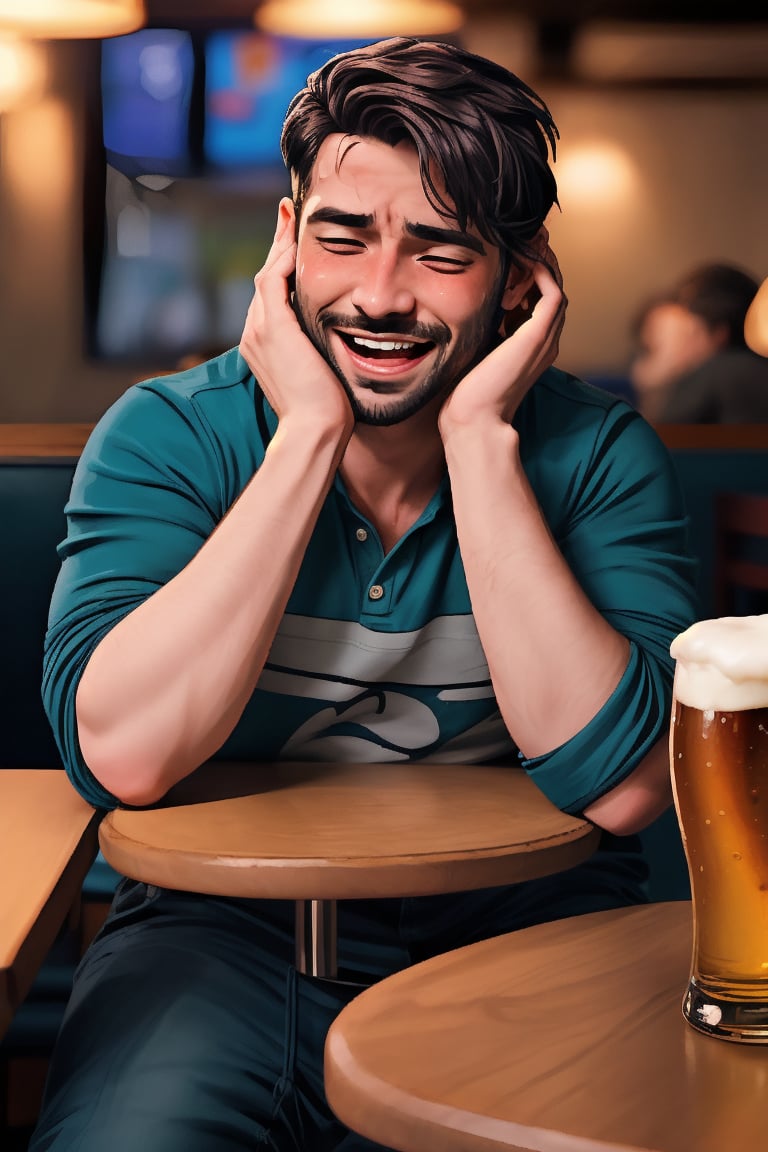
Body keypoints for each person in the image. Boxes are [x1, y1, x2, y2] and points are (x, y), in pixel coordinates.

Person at [32, 37, 698, 1152]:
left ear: (521, 276)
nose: (381, 296)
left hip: (531, 936)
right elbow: (123, 756)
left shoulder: (597, 453)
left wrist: (480, 445)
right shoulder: (167, 434)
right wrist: (308, 436)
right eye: (343, 238)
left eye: (442, 251)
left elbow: (628, 787)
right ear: (286, 238)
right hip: (214, 945)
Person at [629, 262, 768, 423]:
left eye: (690, 329)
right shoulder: (755, 367)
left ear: (719, 333)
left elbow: (661, 437)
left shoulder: (714, 375)